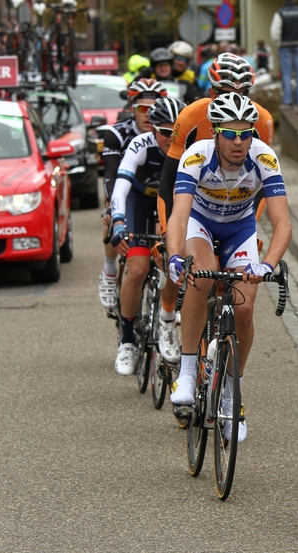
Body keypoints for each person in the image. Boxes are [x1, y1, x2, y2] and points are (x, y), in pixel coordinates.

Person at [166, 93, 292, 442]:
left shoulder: (264, 158)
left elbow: (283, 224)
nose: (239, 141)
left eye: (246, 133)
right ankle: (188, 370)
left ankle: (230, 393)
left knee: (245, 309)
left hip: (240, 230)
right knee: (200, 277)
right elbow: (178, 216)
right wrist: (176, 256)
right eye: (230, 133)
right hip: (201, 224)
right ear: (215, 133)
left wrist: (267, 265)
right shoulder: (196, 156)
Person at [109, 97, 186, 375]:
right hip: (140, 204)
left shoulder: (190, 148)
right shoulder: (141, 145)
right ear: (153, 130)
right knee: (138, 269)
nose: (170, 138)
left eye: (176, 131)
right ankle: (127, 340)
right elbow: (120, 187)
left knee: (182, 265)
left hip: (172, 205)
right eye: (165, 132)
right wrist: (117, 220)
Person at [158, 53, 274, 228]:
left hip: (237, 209)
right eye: (227, 94)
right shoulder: (190, 116)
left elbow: (265, 185)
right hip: (195, 207)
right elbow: (168, 181)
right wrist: (167, 233)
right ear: (212, 93)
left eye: (242, 95)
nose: (234, 103)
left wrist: (251, 228)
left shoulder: (262, 121)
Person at [98, 79, 167, 311]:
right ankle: (109, 270)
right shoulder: (117, 134)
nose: (148, 115)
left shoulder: (168, 133)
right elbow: (111, 176)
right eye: (142, 109)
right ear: (132, 109)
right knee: (113, 215)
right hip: (130, 190)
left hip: (161, 196)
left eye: (153, 108)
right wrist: (111, 206)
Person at [270, 0, 298, 107]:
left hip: (285, 47)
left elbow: (275, 32)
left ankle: (287, 101)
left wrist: (279, 44)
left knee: (287, 75)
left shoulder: (280, 13)